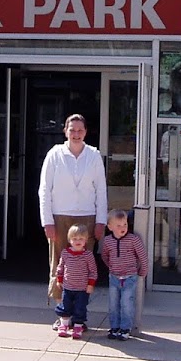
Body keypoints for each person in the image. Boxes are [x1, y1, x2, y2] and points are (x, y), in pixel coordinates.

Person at [39, 113, 108, 307]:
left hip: (87, 217)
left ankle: (79, 312)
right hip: (59, 217)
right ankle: (62, 312)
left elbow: (101, 190)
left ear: (85, 132)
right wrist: (47, 221)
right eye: (72, 130)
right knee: (59, 264)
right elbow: (44, 189)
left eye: (80, 130)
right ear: (65, 131)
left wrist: (101, 221)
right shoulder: (55, 154)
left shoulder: (93, 155)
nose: (76, 134)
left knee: (83, 268)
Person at [99, 208, 148, 340]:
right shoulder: (108, 241)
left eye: (125, 224)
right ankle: (114, 327)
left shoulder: (133, 239)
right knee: (113, 303)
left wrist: (143, 270)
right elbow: (105, 255)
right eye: (119, 225)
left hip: (129, 277)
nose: (123, 228)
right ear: (110, 227)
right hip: (114, 276)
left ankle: (125, 328)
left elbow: (142, 256)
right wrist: (110, 266)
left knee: (127, 303)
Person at [54, 224, 97, 339]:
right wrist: (59, 279)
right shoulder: (66, 253)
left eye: (81, 239)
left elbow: (93, 271)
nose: (78, 241)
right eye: (75, 239)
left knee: (80, 308)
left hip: (82, 289)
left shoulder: (87, 255)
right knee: (65, 307)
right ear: (69, 240)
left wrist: (90, 284)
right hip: (68, 287)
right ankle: (64, 325)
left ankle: (78, 326)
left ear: (86, 240)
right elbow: (60, 267)